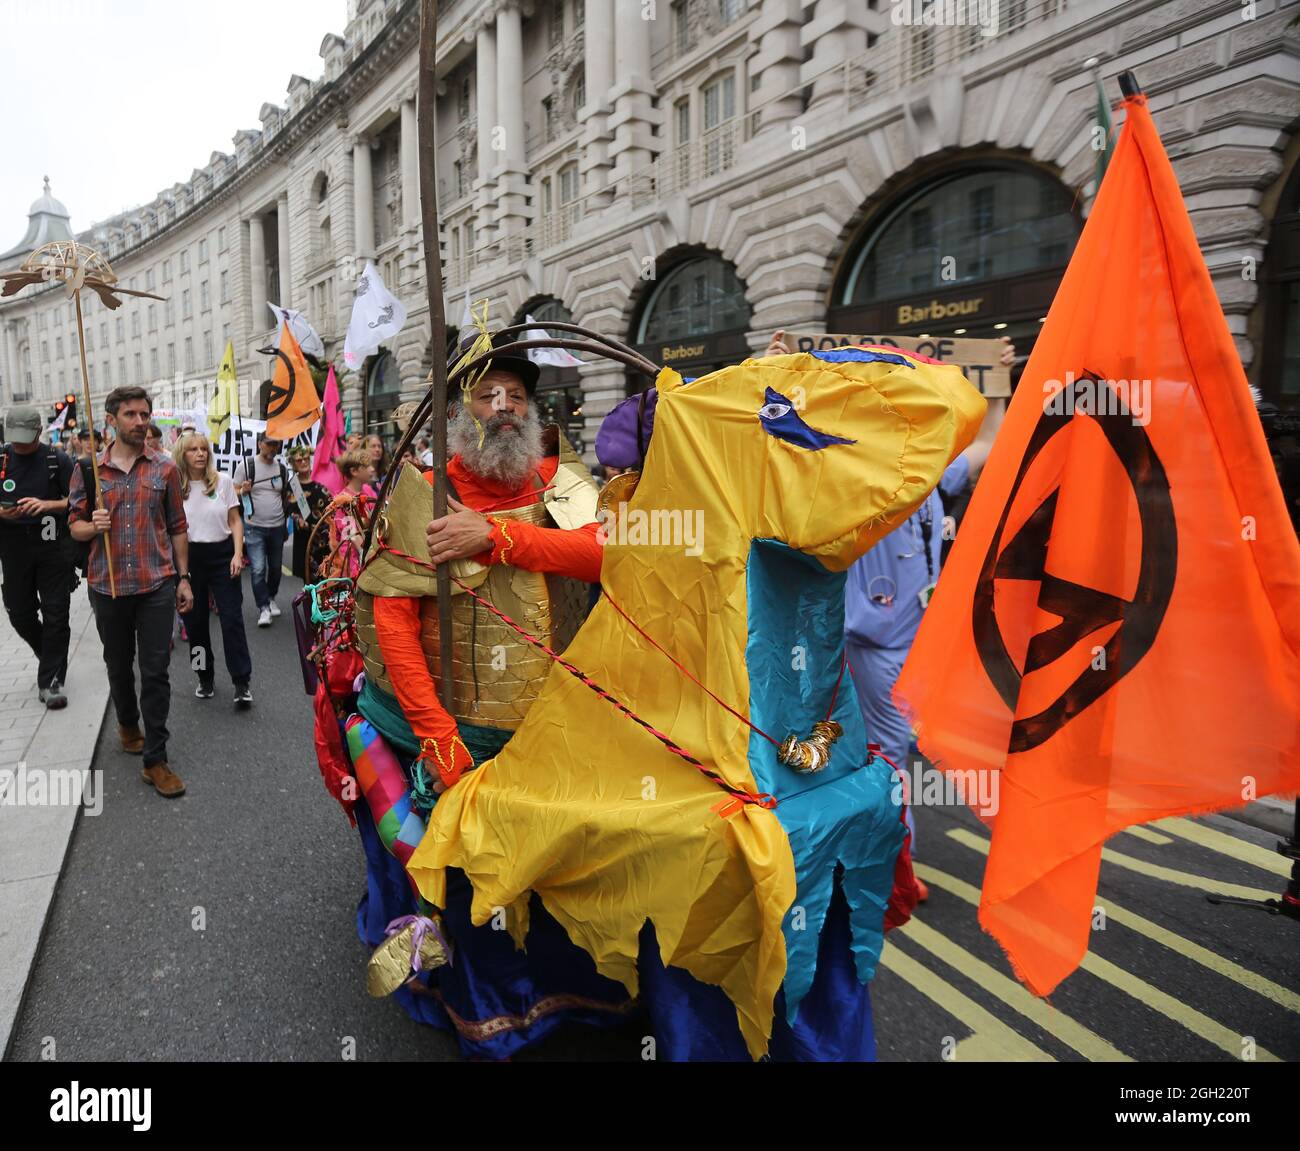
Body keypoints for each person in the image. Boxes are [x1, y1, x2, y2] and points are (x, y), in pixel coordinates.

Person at [311, 333, 605, 1054]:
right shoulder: (423, 485)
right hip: (453, 721)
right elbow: (393, 614)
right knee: (466, 869)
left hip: (553, 714)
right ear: (460, 413)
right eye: (486, 395)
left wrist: (496, 538)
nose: (504, 407)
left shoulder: (558, 477)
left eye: (517, 395)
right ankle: (446, 965)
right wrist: (436, 731)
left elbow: (607, 550)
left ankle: (576, 989)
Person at [68, 386, 191, 798]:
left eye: (144, 414)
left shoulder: (165, 469)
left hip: (156, 584)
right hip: (107, 587)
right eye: (131, 415)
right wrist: (93, 526)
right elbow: (74, 526)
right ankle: (126, 721)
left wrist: (184, 578)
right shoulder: (89, 471)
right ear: (111, 420)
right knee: (119, 666)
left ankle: (155, 759)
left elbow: (177, 526)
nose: (140, 422)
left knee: (155, 672)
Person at [0, 405, 74, 708]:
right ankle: (50, 653)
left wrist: (47, 505)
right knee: (19, 613)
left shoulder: (58, 459)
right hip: (13, 545)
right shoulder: (2, 459)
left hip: (50, 541)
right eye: (14, 438)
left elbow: (78, 502)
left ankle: (51, 681)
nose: (18, 444)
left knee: (56, 611)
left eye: (25, 438)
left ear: (39, 432)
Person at [173, 432, 252, 706]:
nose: (200, 454)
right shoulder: (174, 487)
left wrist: (238, 554)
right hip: (190, 559)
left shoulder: (224, 481)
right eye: (193, 449)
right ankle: (203, 677)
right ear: (182, 454)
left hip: (222, 555)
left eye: (204, 449)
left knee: (232, 620)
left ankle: (242, 682)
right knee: (195, 626)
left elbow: (235, 520)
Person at [234, 432, 290, 628]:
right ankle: (263, 607)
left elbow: (285, 495)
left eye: (276, 444)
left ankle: (271, 596)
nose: (273, 447)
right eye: (269, 444)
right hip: (253, 527)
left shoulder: (282, 469)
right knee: (258, 569)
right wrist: (243, 490)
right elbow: (232, 492)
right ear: (260, 444)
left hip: (277, 526)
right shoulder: (246, 466)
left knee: (275, 568)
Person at [329, 448, 377, 577]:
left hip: (371, 553)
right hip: (354, 561)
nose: (372, 469)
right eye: (367, 466)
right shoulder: (343, 500)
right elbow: (348, 537)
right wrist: (353, 570)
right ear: (354, 471)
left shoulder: (368, 490)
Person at [286, 445, 332, 580]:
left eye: (306, 458)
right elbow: (291, 510)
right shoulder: (293, 484)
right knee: (308, 579)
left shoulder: (319, 478)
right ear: (293, 464)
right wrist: (301, 521)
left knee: (326, 576)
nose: (304, 462)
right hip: (305, 537)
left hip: (324, 535)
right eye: (299, 460)